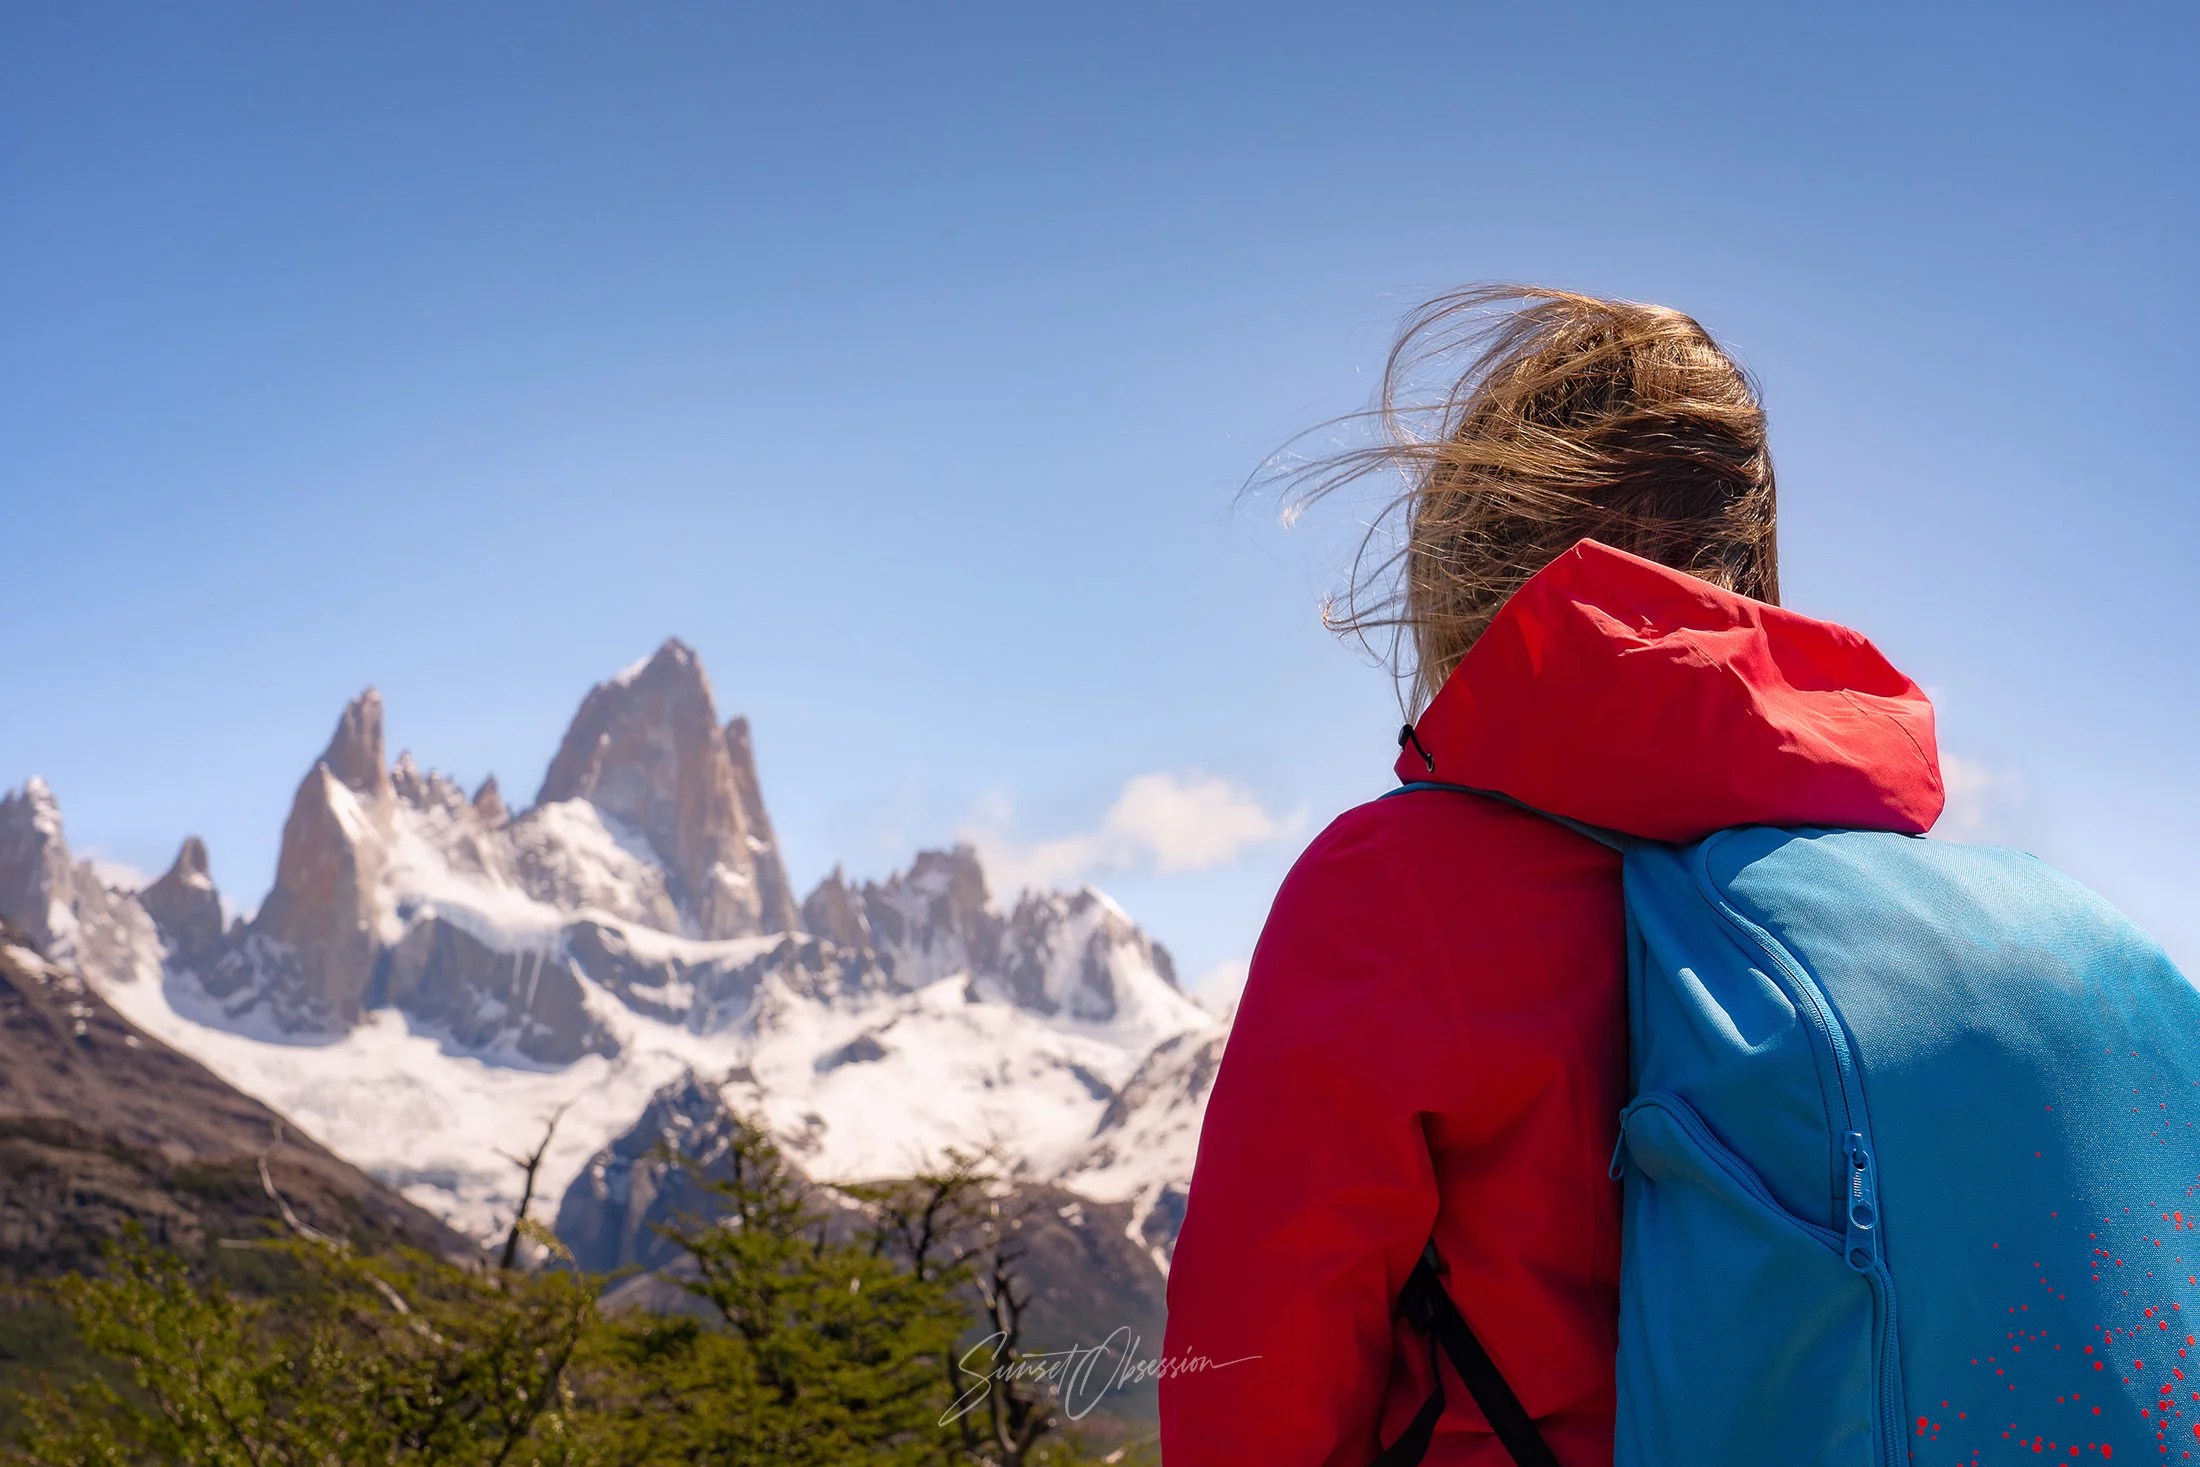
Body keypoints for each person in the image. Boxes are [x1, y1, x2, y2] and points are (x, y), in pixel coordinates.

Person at [1157, 286, 1943, 1465]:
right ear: (1752, 556)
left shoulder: (1392, 891)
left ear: (1471, 553)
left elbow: (1253, 1385)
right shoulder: (1891, 894)